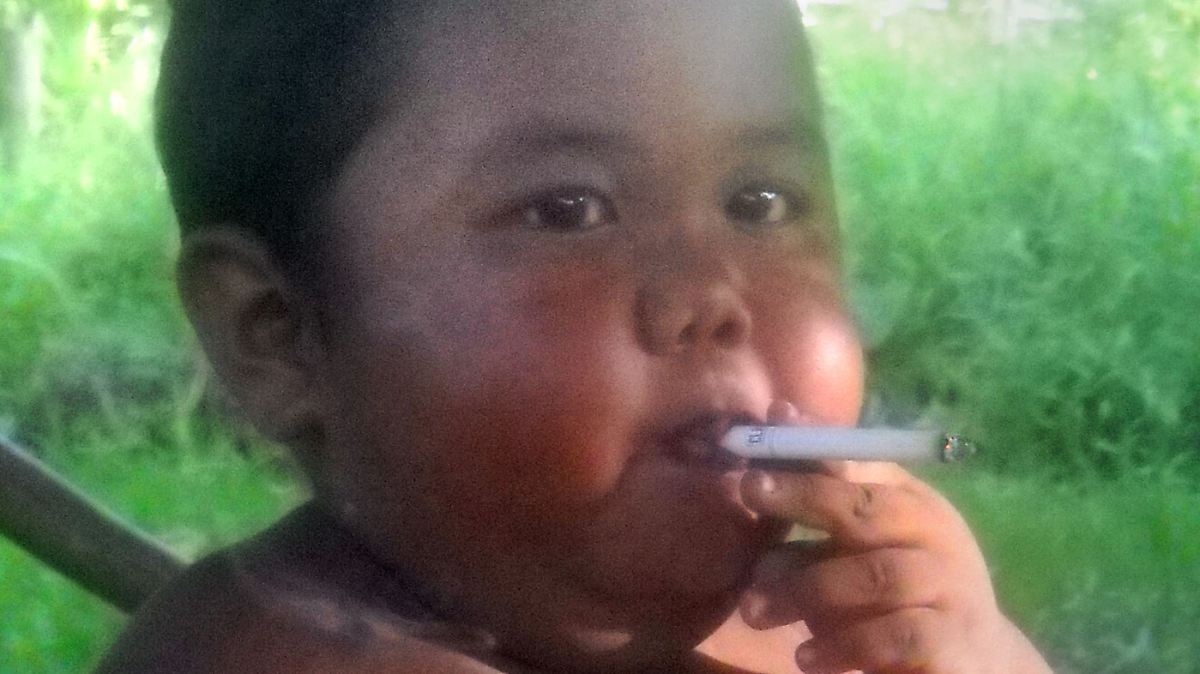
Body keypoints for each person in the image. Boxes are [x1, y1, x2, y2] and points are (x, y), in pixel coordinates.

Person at [96, 1, 1055, 672]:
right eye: (568, 211)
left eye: (760, 202)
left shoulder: (801, 630)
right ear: (277, 333)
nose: (713, 295)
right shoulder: (285, 654)